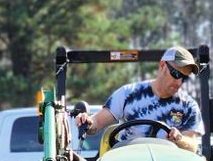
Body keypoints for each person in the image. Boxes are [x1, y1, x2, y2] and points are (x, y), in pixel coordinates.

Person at [74, 46, 204, 153]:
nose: (179, 82)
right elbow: (96, 123)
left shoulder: (188, 106)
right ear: (162, 65)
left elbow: (192, 146)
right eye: (176, 74)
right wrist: (87, 121)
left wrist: (179, 139)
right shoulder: (129, 94)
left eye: (185, 78)